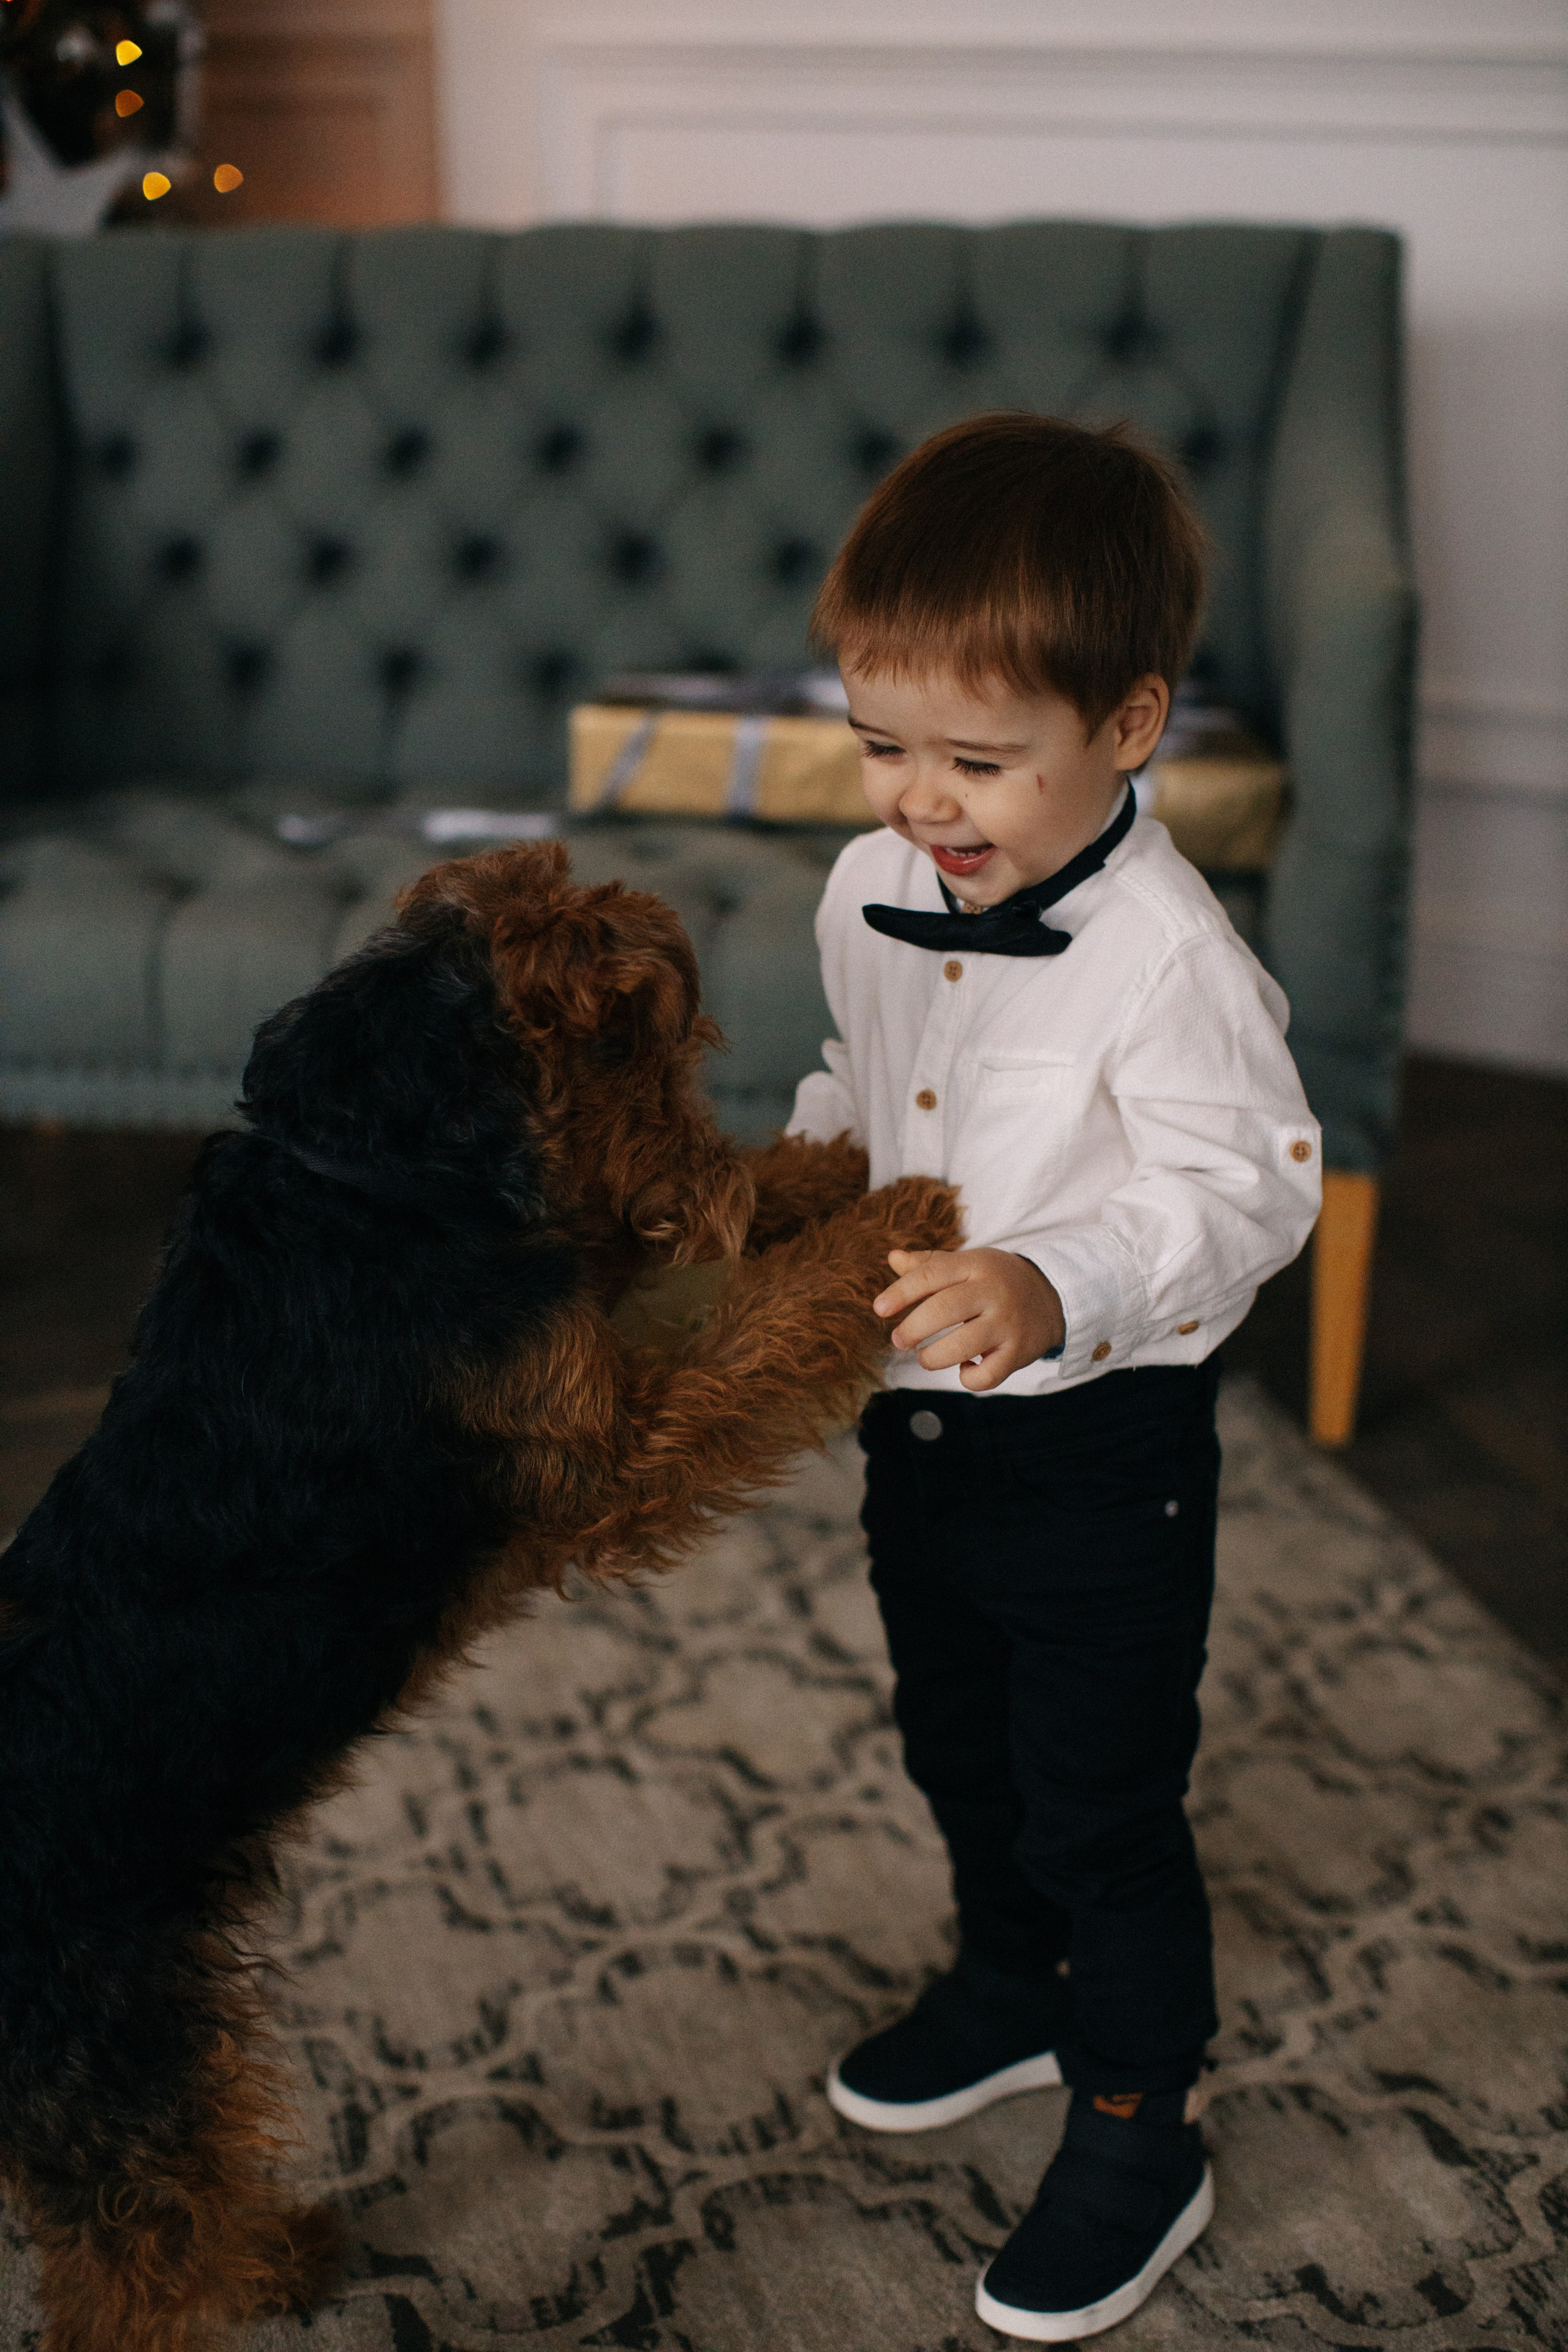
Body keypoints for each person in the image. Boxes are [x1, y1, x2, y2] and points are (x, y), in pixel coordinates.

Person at [786, 412, 1321, 2342]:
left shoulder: (1167, 959)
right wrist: (803, 1201)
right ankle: (1010, 1988)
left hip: (1103, 1444)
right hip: (919, 1432)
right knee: (957, 1735)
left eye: (979, 761)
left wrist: (1051, 1271)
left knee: (1099, 1791)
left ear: (1132, 723)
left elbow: (1250, 1191)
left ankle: (1136, 2111)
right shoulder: (866, 889)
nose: (922, 798)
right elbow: (860, 1085)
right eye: (884, 744)